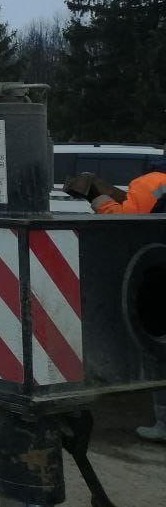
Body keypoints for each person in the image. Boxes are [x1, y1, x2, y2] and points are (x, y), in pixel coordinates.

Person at [64, 165, 166, 442]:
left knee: (160, 351)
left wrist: (96, 196)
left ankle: (164, 425)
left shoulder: (151, 183)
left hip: (156, 271)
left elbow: (125, 221)